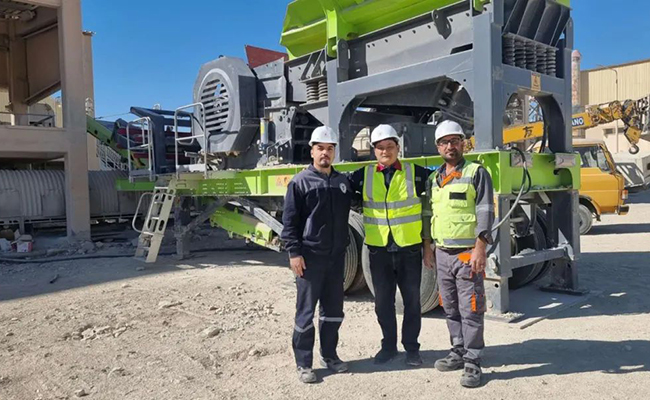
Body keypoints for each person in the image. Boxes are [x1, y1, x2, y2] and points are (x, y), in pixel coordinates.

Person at [348, 124, 432, 367]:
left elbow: (432, 203)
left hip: (409, 248)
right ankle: (388, 346)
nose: (385, 151)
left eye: (390, 146)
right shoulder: (362, 176)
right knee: (383, 303)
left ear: (398, 147)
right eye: (380, 148)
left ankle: (412, 348)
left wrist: (428, 244)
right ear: (374, 150)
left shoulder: (416, 173)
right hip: (379, 249)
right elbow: (342, 191)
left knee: (412, 302)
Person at [422, 120, 494, 388]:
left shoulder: (476, 172)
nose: (450, 146)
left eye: (454, 141)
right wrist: (428, 246)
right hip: (442, 253)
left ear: (463, 143)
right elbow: (428, 213)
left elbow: (486, 210)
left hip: (467, 254)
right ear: (438, 147)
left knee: (471, 308)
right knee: (450, 306)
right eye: (444, 142)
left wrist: (480, 248)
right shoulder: (434, 179)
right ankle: (458, 350)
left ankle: (473, 360)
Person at [281, 126, 354, 383]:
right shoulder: (300, 182)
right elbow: (290, 222)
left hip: (336, 257)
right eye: (320, 148)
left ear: (334, 152)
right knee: (305, 313)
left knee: (333, 311)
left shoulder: (342, 182)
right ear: (312, 151)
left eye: (330, 149)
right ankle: (303, 363)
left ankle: (330, 356)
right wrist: (294, 253)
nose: (325, 153)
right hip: (310, 258)